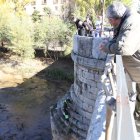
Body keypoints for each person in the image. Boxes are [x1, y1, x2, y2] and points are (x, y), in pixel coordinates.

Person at [99, 1, 140, 121]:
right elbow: (117, 39)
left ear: (115, 18)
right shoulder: (126, 20)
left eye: (109, 20)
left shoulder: (131, 22)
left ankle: (137, 125)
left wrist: (106, 48)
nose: (109, 23)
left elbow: (124, 48)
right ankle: (137, 121)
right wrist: (110, 44)